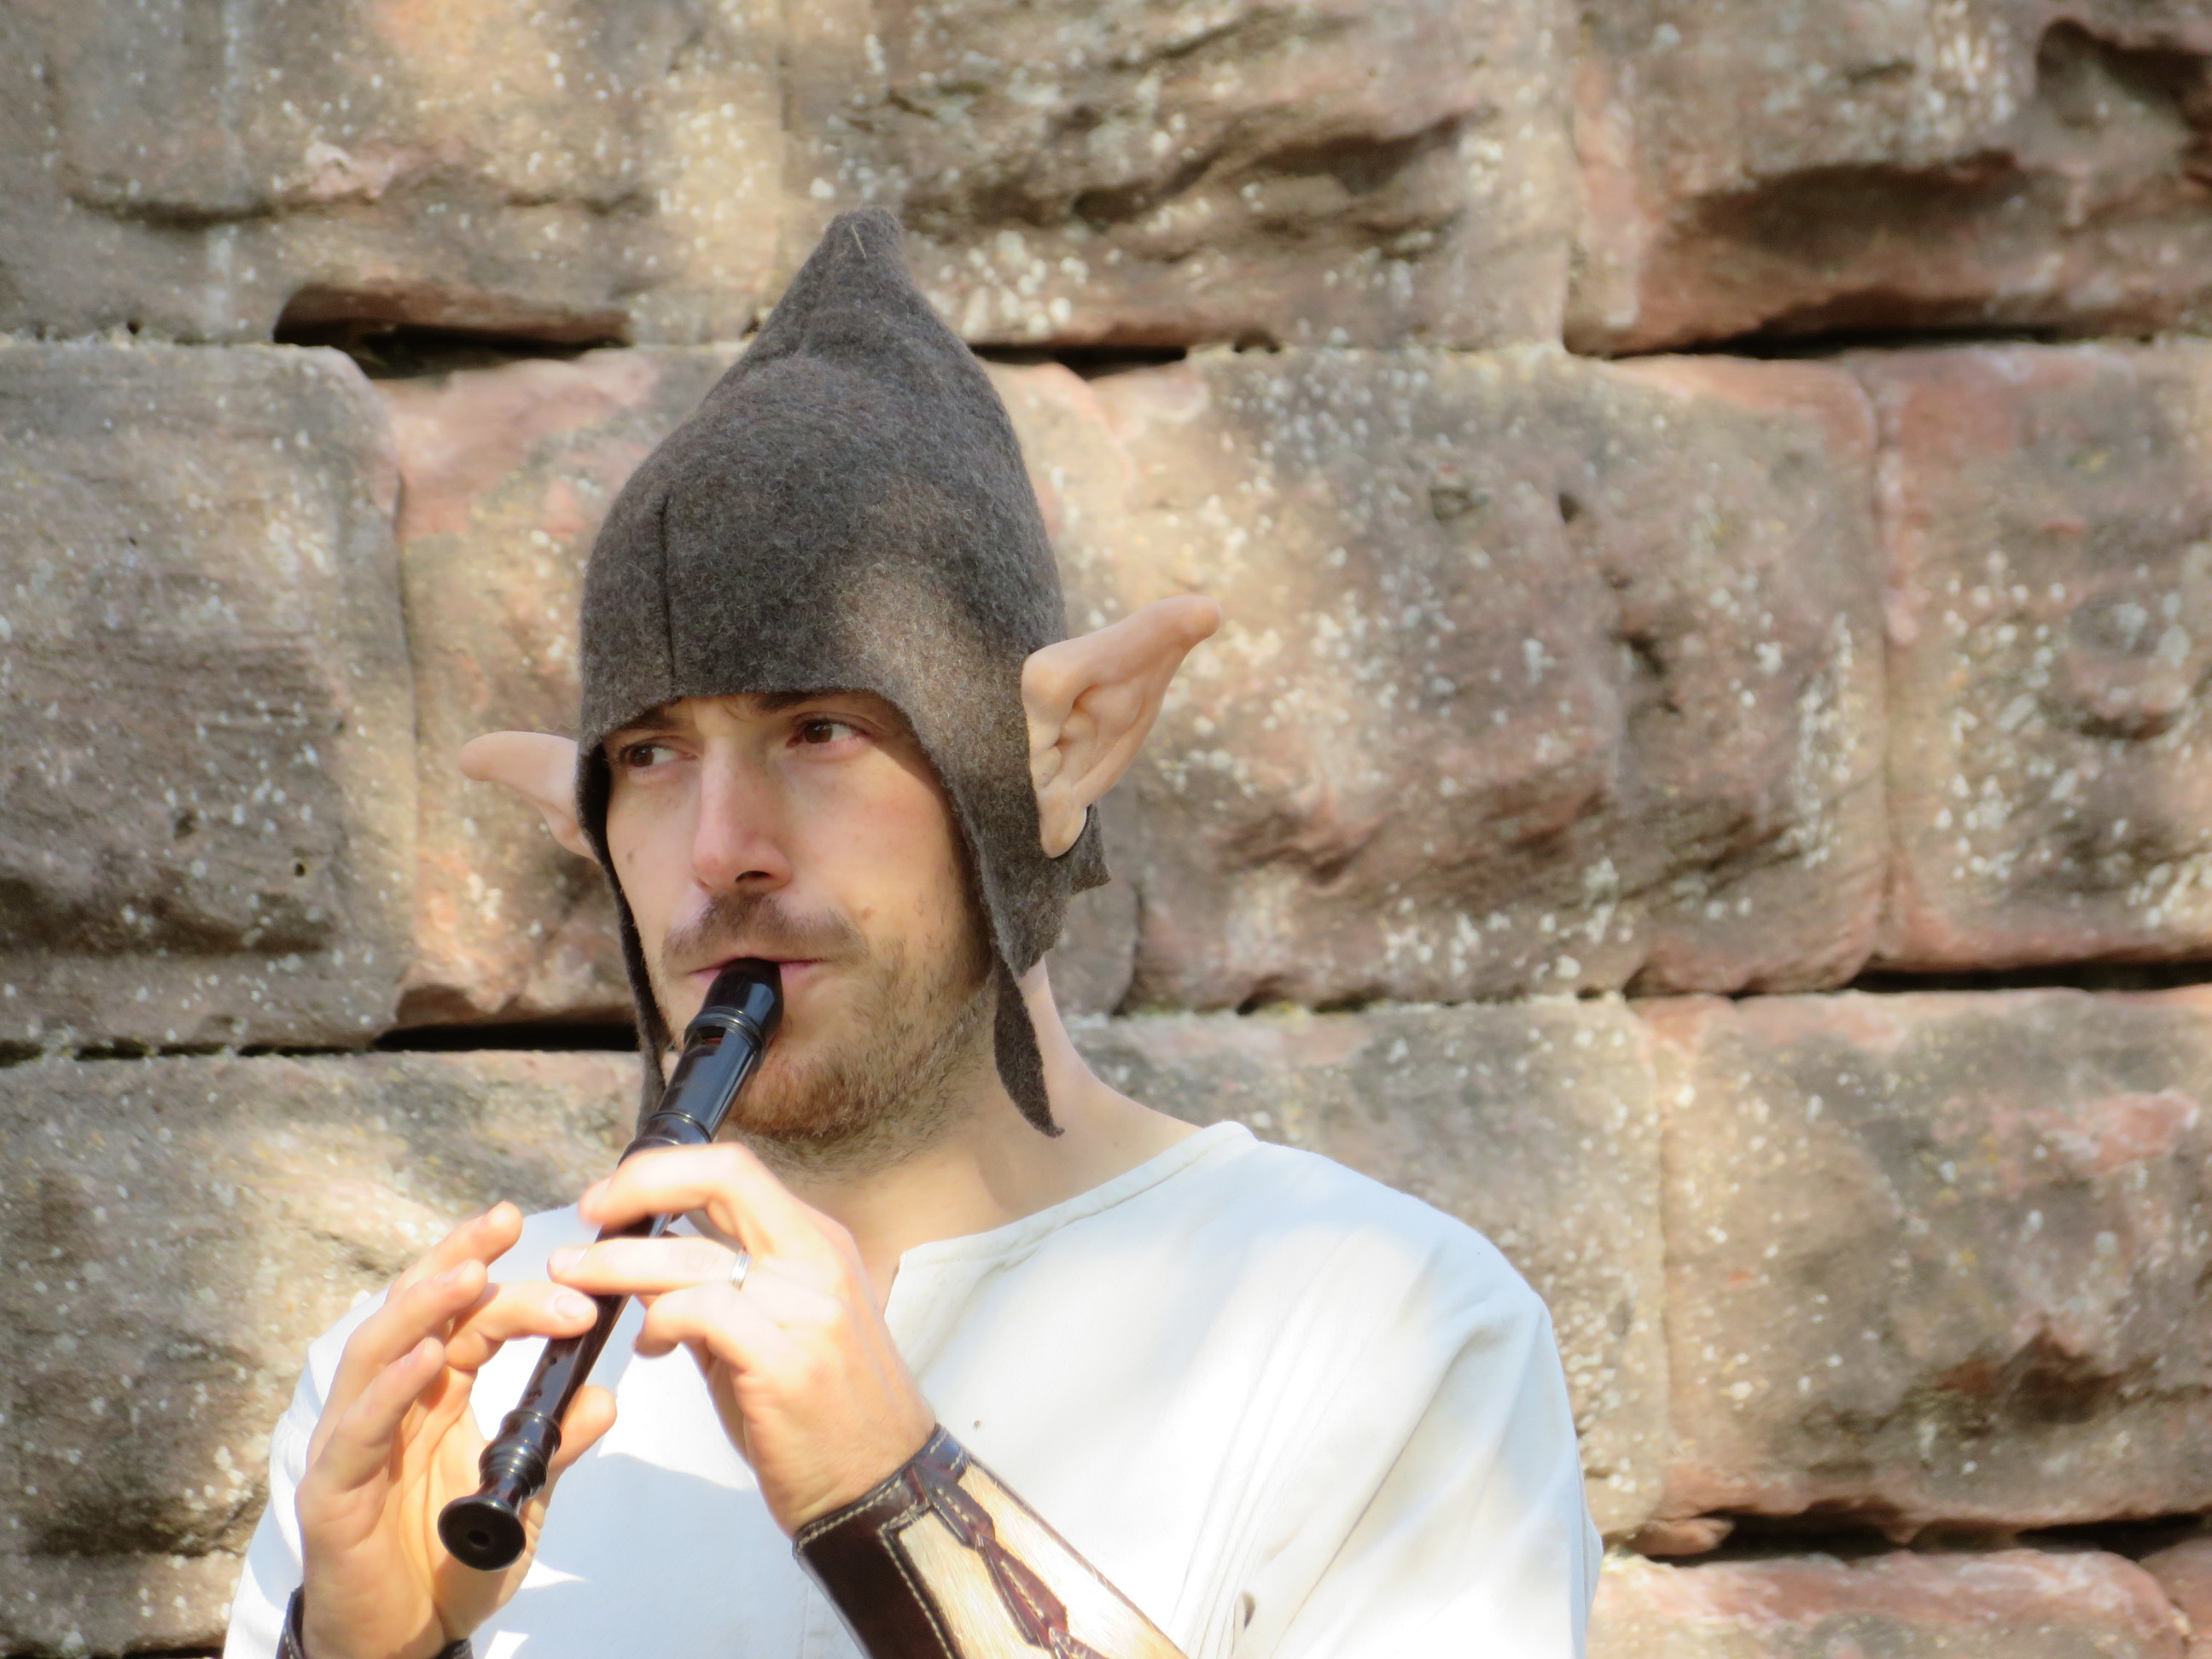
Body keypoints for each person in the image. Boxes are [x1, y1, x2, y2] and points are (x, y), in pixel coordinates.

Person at [223, 210, 1600, 1659]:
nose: (722, 850)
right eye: (652, 756)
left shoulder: (1381, 1326)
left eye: (821, 729)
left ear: (1050, 759)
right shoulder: (441, 1387)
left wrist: (897, 1504)